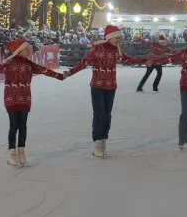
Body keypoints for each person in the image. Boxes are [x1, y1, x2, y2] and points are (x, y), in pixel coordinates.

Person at [63, 24, 147, 158]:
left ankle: (103, 139)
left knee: (107, 114)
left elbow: (127, 60)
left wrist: (144, 61)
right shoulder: (97, 48)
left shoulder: (116, 50)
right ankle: (97, 142)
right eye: (116, 38)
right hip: (97, 85)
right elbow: (84, 62)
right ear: (109, 37)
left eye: (119, 38)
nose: (118, 40)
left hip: (110, 86)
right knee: (99, 113)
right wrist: (70, 72)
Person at [0, 38, 64, 166]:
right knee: (14, 125)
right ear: (19, 51)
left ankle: (21, 151)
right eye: (26, 49)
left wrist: (60, 76)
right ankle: (12, 153)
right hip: (11, 98)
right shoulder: (9, 63)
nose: (29, 51)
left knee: (22, 125)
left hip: (25, 98)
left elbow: (44, 70)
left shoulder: (30, 64)